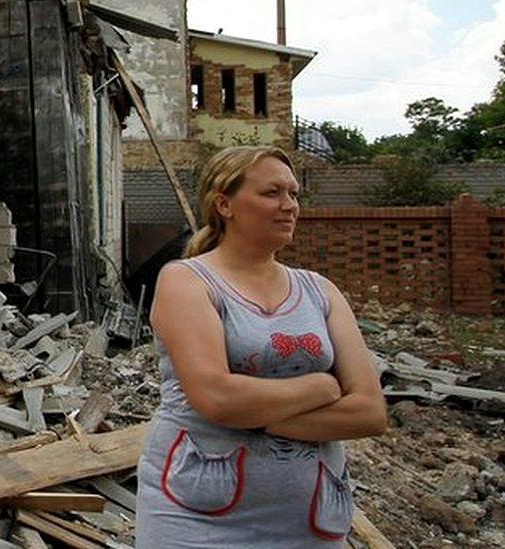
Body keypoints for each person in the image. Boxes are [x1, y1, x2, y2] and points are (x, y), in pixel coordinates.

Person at [136, 146, 387, 548]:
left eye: (294, 194)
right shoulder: (186, 281)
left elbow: (370, 411)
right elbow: (217, 398)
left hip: (308, 523)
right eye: (272, 193)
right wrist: (319, 389)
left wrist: (260, 415)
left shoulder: (320, 291)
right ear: (224, 204)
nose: (289, 206)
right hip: (197, 521)